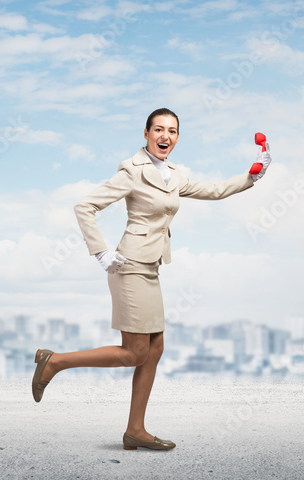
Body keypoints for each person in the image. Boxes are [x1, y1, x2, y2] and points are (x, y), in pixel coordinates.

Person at [32, 107, 271, 451]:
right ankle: (54, 362)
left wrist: (253, 175)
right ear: (145, 134)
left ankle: (135, 431)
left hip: (151, 267)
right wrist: (100, 251)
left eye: (172, 131)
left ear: (177, 137)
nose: (165, 137)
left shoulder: (173, 175)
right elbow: (84, 206)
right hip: (128, 265)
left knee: (154, 349)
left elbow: (215, 190)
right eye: (158, 130)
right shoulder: (133, 170)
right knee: (135, 352)